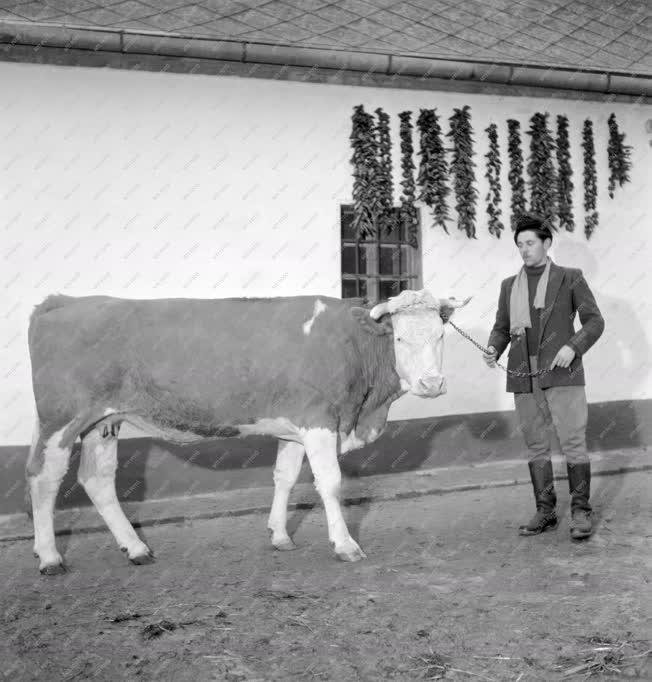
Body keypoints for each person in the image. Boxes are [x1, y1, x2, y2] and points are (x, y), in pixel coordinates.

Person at [483, 214, 604, 539]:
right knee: (536, 445)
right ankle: (545, 511)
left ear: (546, 243)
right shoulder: (510, 285)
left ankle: (581, 512)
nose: (524, 250)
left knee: (573, 443)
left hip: (562, 372)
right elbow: (501, 327)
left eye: (530, 243)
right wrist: (494, 348)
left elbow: (595, 322)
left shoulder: (570, 278)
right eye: (520, 245)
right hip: (524, 374)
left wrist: (573, 346)